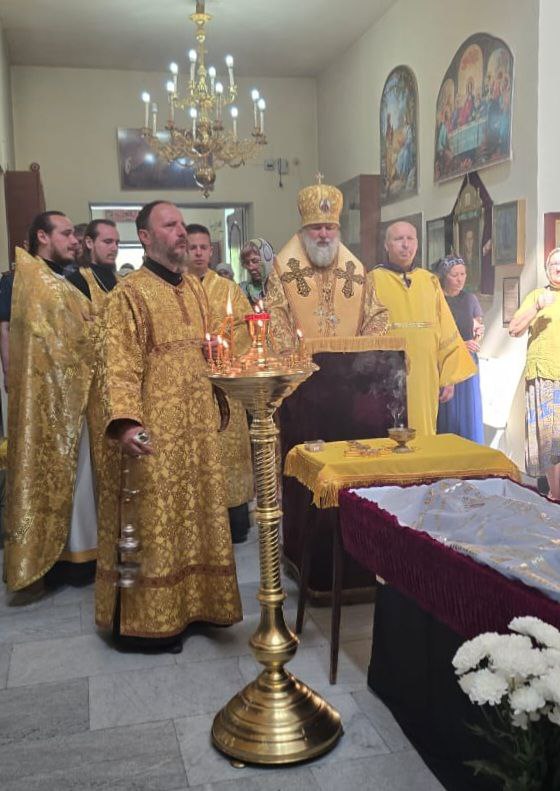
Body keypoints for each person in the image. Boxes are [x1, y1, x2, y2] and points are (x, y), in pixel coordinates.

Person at [95, 201, 242, 652]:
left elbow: (209, 348)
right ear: (145, 237)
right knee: (154, 521)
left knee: (196, 514)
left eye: (182, 224)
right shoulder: (129, 294)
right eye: (170, 225)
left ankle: (199, 607)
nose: (181, 232)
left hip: (196, 428)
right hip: (154, 430)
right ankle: (149, 623)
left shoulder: (194, 288)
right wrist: (126, 423)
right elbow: (117, 363)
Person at [4, 211, 97, 601]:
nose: (75, 240)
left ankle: (80, 555)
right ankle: (51, 560)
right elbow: (22, 336)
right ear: (42, 236)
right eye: (66, 233)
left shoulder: (65, 281)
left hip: (75, 394)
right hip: (45, 397)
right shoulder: (26, 280)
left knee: (81, 477)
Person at [368, 222, 476, 436]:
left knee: (424, 432)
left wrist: (448, 377)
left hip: (425, 374)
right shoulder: (372, 280)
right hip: (386, 373)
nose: (405, 244)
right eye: (398, 239)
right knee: (388, 432)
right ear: (387, 245)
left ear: (417, 244)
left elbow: (446, 327)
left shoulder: (430, 281)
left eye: (410, 239)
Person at [185, 223, 254, 544]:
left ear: (211, 251)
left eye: (203, 247)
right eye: (192, 247)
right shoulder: (176, 288)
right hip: (189, 384)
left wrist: (223, 349)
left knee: (229, 450)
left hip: (226, 385)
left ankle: (236, 521)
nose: (198, 253)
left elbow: (245, 332)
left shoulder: (228, 289)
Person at [266, 177, 388, 350]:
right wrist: (292, 357)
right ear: (304, 231)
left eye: (329, 228)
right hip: (301, 363)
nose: (323, 234)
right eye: (316, 228)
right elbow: (274, 316)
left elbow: (377, 315)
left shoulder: (356, 271)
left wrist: (362, 352)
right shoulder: (282, 270)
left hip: (349, 364)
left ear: (337, 230)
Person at [67, 219, 121, 484]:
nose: (114, 248)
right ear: (89, 243)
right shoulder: (77, 281)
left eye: (117, 242)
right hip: (93, 385)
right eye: (107, 241)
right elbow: (73, 335)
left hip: (121, 380)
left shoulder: (121, 282)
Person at [509, 248, 560, 499]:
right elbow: (514, 329)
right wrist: (537, 306)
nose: (558, 268)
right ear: (547, 270)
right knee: (551, 440)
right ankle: (556, 494)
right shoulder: (537, 296)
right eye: (554, 265)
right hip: (545, 375)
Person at [435, 255, 484, 443]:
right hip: (448, 360)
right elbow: (437, 334)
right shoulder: (438, 299)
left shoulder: (470, 299)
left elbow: (478, 324)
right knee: (449, 413)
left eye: (463, 274)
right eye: (454, 275)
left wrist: (478, 333)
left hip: (468, 361)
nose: (460, 279)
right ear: (444, 276)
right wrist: (461, 344)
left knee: (469, 411)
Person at [240, 238, 274, 308]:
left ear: (267, 260)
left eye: (255, 261)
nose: (250, 267)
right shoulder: (243, 290)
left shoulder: (282, 288)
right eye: (247, 263)